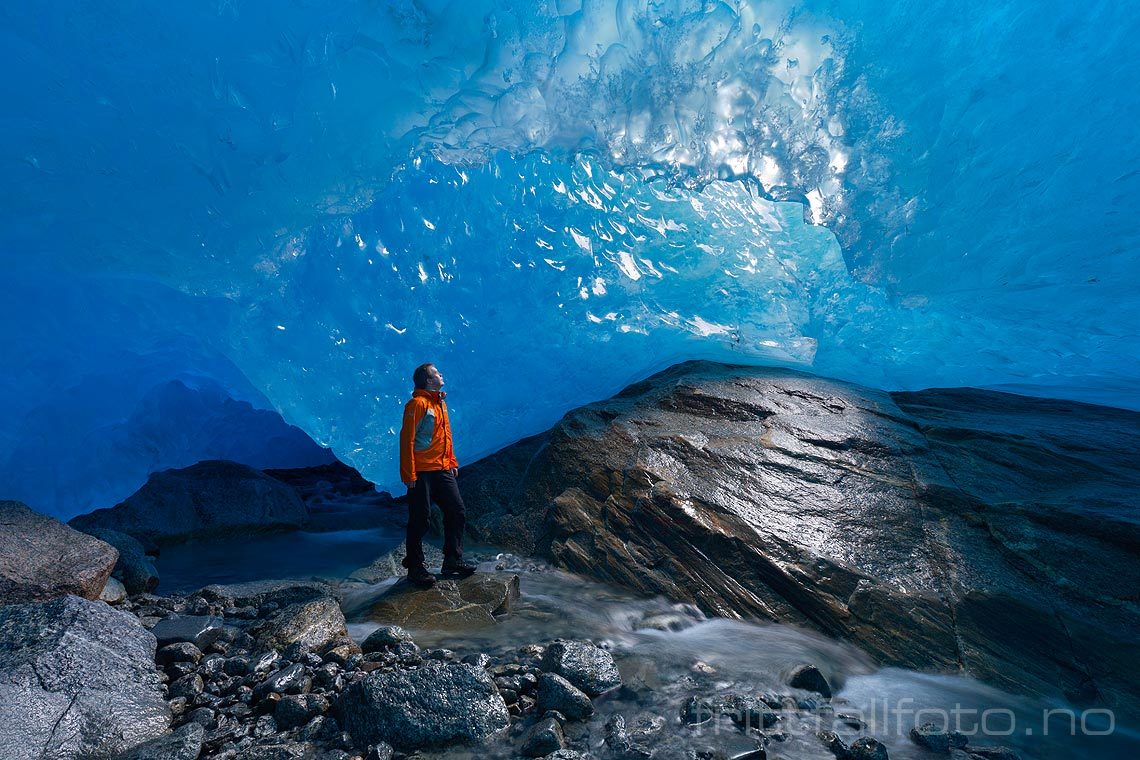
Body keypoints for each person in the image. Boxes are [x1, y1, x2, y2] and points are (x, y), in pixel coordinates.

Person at [398, 362, 476, 587]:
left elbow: (445, 436)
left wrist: (451, 461)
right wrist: (409, 474)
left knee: (457, 510)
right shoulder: (417, 404)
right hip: (421, 472)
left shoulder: (440, 402)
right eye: (436, 373)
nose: (441, 374)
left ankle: (452, 559)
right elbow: (407, 439)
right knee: (420, 519)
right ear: (428, 380)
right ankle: (415, 566)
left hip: (442, 469)